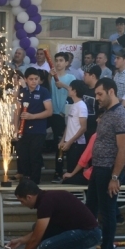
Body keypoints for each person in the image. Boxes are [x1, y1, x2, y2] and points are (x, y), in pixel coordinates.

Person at [0, 180, 101, 249]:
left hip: (89, 234)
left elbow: (35, 240)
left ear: (29, 197)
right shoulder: (46, 198)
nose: (22, 204)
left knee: (46, 247)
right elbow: (41, 231)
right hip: (79, 230)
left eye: (21, 201)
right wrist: (21, 240)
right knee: (37, 227)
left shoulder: (45, 203)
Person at [85, 78, 125, 249]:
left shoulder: (120, 115)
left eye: (100, 94)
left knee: (107, 211)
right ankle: (82, 242)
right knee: (90, 208)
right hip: (98, 167)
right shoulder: (107, 113)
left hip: (108, 170)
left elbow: (123, 149)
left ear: (111, 91)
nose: (97, 98)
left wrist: (115, 177)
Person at [15, 67, 53, 185]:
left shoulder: (43, 91)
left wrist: (33, 116)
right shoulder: (22, 92)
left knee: (35, 156)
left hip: (38, 130)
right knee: (23, 156)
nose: (34, 81)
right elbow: (17, 111)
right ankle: (26, 179)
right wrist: (15, 128)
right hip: (23, 130)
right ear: (25, 79)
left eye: (36, 79)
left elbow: (49, 111)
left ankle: (35, 182)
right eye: (31, 79)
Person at [48, 53, 76, 182]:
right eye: (56, 60)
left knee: (65, 143)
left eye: (61, 60)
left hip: (66, 114)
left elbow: (75, 91)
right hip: (54, 113)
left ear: (66, 63)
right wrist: (50, 76)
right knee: (57, 142)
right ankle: (56, 171)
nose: (58, 63)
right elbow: (48, 87)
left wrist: (63, 85)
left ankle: (64, 171)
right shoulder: (52, 76)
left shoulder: (71, 77)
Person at [59, 80, 88, 176]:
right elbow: (69, 125)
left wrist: (70, 142)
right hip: (70, 142)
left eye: (70, 88)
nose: (68, 89)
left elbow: (83, 128)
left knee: (74, 171)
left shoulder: (82, 106)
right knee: (69, 168)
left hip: (77, 144)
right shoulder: (73, 105)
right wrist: (63, 140)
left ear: (74, 91)